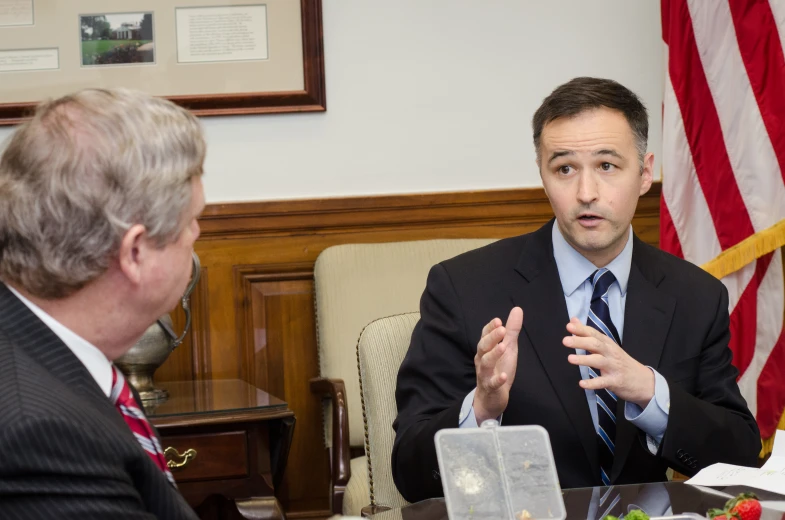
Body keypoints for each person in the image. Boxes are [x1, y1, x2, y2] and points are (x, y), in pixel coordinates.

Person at [392, 77, 761, 503]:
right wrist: (481, 409)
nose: (586, 193)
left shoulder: (695, 295)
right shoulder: (463, 287)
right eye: (564, 168)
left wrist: (649, 391)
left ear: (644, 174)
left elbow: (740, 457)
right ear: (543, 175)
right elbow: (409, 473)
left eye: (607, 166)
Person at [0, 88, 204, 519]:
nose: (197, 234)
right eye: (191, 221)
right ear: (135, 253)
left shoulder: (55, 348)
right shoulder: (42, 435)